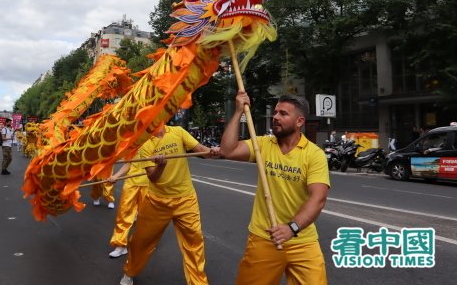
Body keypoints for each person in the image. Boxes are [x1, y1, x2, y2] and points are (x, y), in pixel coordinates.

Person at [219, 92, 330, 285]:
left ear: (299, 121)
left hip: (303, 241)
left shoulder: (314, 154)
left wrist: (291, 228)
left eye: (283, 114)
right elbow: (227, 151)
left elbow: (317, 199)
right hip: (264, 238)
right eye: (276, 112)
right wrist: (238, 112)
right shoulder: (262, 144)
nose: (275, 117)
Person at [119, 125, 219, 285]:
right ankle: (129, 271)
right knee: (140, 241)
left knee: (194, 243)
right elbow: (153, 178)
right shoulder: (144, 143)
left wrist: (212, 152)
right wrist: (161, 165)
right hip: (157, 201)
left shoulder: (178, 132)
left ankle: (198, 282)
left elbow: (200, 149)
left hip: (186, 199)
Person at [107, 155, 149, 258]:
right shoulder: (134, 143)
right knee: (123, 214)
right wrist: (116, 175)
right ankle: (120, 245)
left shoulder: (160, 141)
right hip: (131, 184)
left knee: (145, 217)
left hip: (150, 185)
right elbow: (128, 163)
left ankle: (146, 243)